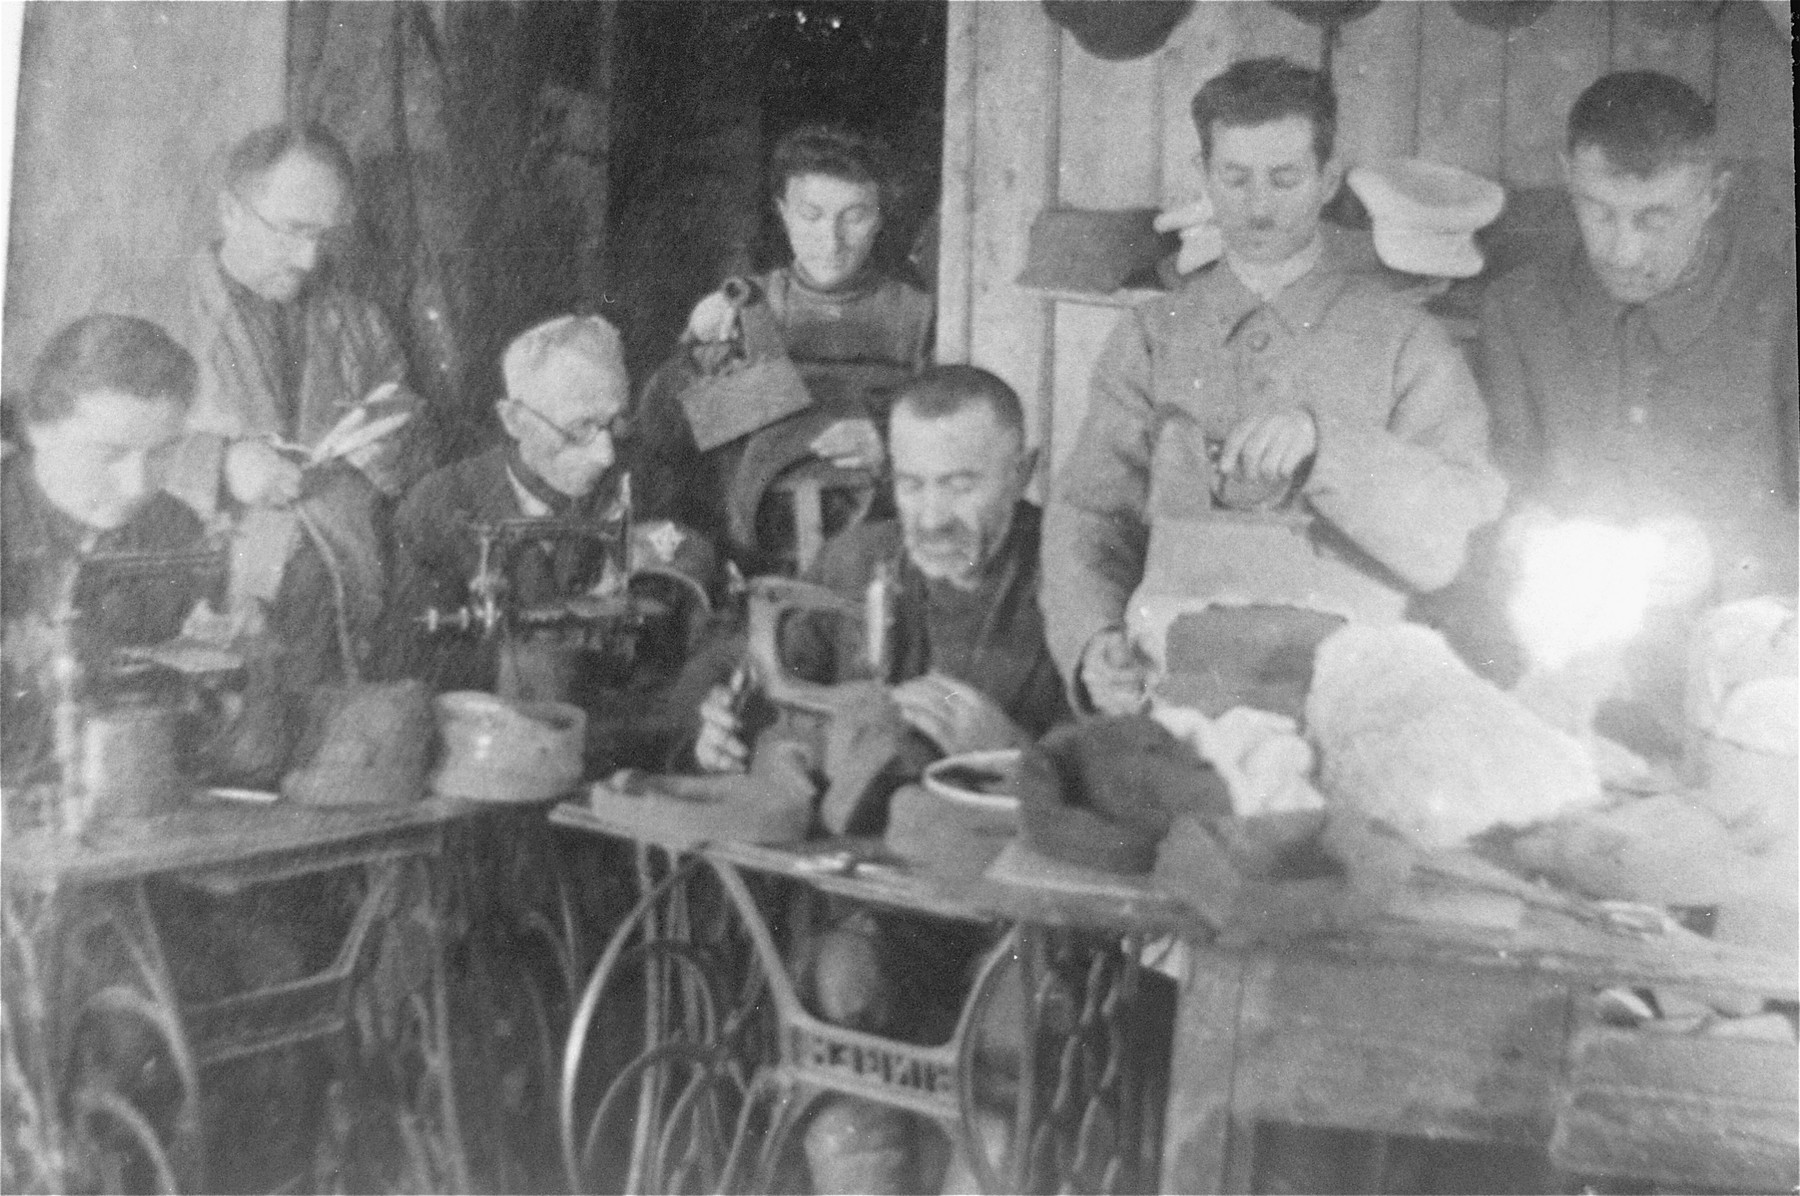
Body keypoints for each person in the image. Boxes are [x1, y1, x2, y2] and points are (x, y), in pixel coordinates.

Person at [1042, 57, 1506, 716]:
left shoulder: (1406, 341)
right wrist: (1093, 643)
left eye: (1285, 178)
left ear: (1325, 179)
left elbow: (1454, 541)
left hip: (1349, 701)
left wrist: (1329, 448)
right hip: (1172, 689)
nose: (1259, 207)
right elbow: (1089, 517)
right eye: (1235, 178)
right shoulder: (1152, 336)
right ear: (1203, 175)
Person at [692, 364, 1068, 777]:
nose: (931, 520)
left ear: (1021, 474)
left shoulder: (1074, 579)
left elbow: (1127, 772)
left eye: (959, 486)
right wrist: (717, 734)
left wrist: (1012, 753)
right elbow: (742, 671)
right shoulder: (855, 559)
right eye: (911, 485)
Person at [639, 125, 934, 561]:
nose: (831, 241)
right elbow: (664, 435)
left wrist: (893, 438)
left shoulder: (919, 316)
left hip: (882, 550)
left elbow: (957, 428)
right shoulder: (744, 307)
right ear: (783, 213)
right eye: (811, 215)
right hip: (755, 553)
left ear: (880, 218)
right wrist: (696, 349)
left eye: (854, 216)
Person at [166, 122, 431, 517]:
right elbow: (93, 446)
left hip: (342, 566)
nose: (308, 260)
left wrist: (389, 450)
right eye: (293, 231)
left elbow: (413, 430)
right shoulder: (163, 312)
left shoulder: (362, 320)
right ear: (231, 212)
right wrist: (221, 464)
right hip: (220, 562)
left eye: (323, 236)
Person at [2, 316, 210, 809]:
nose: (138, 485)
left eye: (161, 453)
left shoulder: (177, 529)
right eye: (109, 454)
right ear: (39, 430)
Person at [388, 314, 646, 699]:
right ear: (514, 420)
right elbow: (404, 663)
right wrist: (512, 663)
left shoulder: (641, 484)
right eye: (579, 429)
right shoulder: (437, 506)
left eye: (616, 422)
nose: (606, 455)